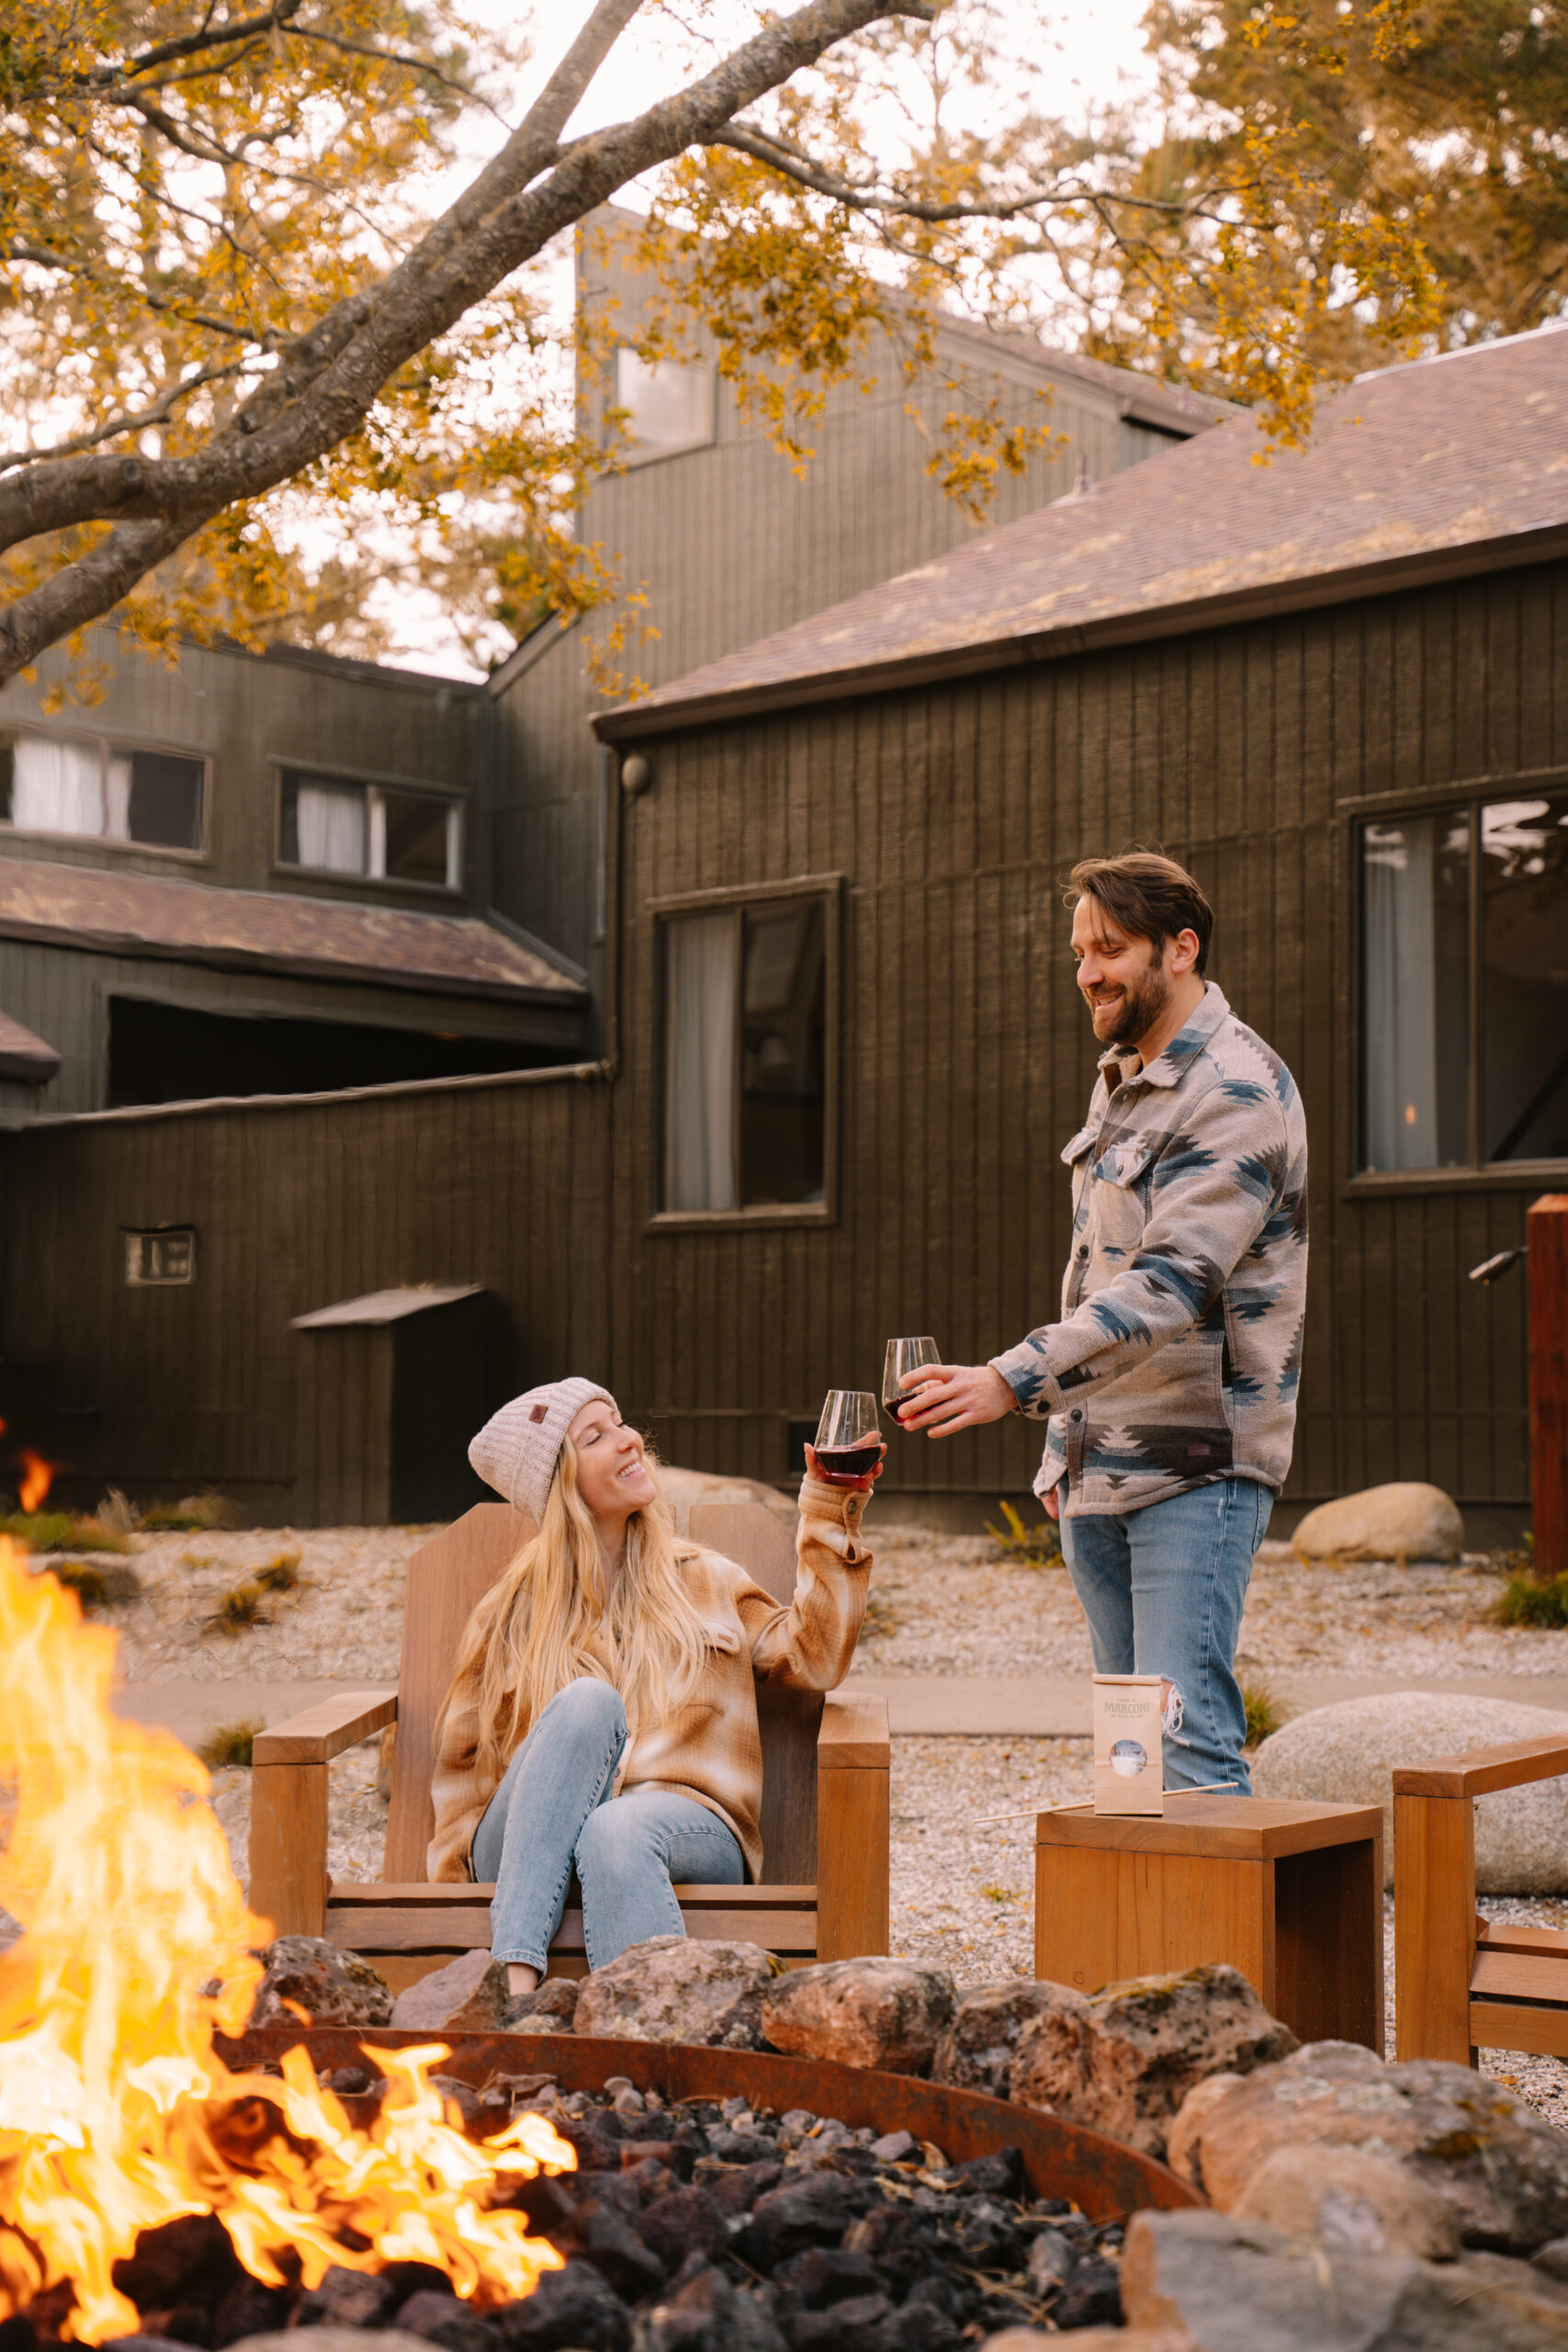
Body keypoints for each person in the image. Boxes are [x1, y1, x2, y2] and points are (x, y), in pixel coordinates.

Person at [897, 852, 1307, 1794]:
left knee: (1188, 1743)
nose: (1087, 971)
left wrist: (1009, 1380)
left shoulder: (1237, 1090)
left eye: (1110, 949)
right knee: (1130, 1758)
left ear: (1181, 947)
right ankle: (1156, 1950)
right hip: (1098, 1463)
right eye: (1080, 950)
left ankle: (1223, 1950)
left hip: (1197, 1467)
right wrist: (1062, 1444)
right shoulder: (1123, 1076)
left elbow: (1167, 1285)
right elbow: (1096, 1273)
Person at [428, 1377, 881, 1993]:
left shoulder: (705, 1579)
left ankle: (630, 2044)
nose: (629, 1441)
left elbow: (815, 1656)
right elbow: (464, 1769)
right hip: (529, 1846)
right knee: (587, 1704)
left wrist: (831, 1507)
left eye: (620, 1423)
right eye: (596, 1436)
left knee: (615, 1828)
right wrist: (446, 1907)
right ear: (558, 1485)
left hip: (684, 1827)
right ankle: (515, 1986)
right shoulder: (508, 1614)